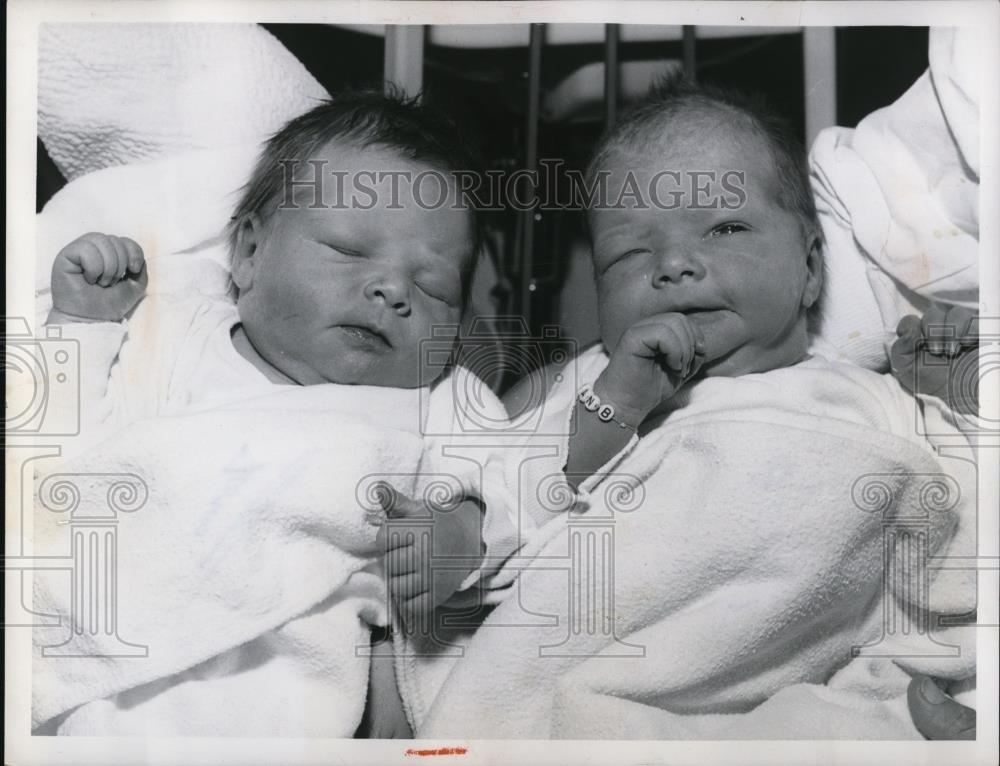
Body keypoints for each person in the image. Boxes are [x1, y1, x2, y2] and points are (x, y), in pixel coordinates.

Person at [393, 76, 975, 740]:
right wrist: (465, 531)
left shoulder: (873, 398)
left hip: (787, 709)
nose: (673, 265)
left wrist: (956, 400)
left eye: (725, 227)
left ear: (811, 268)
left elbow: (956, 549)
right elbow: (504, 480)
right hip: (573, 698)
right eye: (630, 253)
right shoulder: (590, 385)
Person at [32, 90, 495, 737]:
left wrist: (465, 531)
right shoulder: (173, 335)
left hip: (281, 682)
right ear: (247, 254)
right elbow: (53, 450)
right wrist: (80, 326)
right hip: (101, 657)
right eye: (349, 250)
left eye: (433, 286)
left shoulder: (435, 402)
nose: (392, 290)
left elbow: (516, 479)